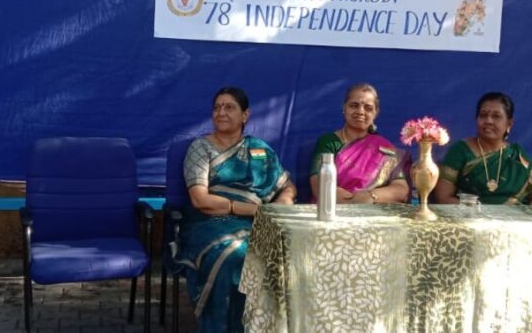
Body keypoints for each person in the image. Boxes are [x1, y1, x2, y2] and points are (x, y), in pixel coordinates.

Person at [175, 87, 295, 332]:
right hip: (211, 220)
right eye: (217, 107)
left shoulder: (260, 149)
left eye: (229, 107)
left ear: (245, 115)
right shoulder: (201, 148)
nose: (221, 112)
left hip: (258, 220)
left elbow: (288, 186)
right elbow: (199, 199)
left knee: (287, 254)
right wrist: (245, 209)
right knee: (234, 255)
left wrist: (283, 202)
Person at [435, 92, 532, 205]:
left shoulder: (517, 155)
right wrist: (478, 212)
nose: (488, 121)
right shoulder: (460, 150)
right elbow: (443, 198)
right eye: (483, 115)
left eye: (496, 116)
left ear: (509, 124)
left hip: (514, 215)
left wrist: (529, 212)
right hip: (471, 214)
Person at [309, 83, 410, 204]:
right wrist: (353, 202)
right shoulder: (329, 141)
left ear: (376, 113)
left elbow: (401, 190)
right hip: (334, 208)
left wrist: (371, 196)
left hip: (372, 209)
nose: (360, 111)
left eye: (368, 108)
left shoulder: (385, 148)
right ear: (344, 108)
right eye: (354, 105)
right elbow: (319, 185)